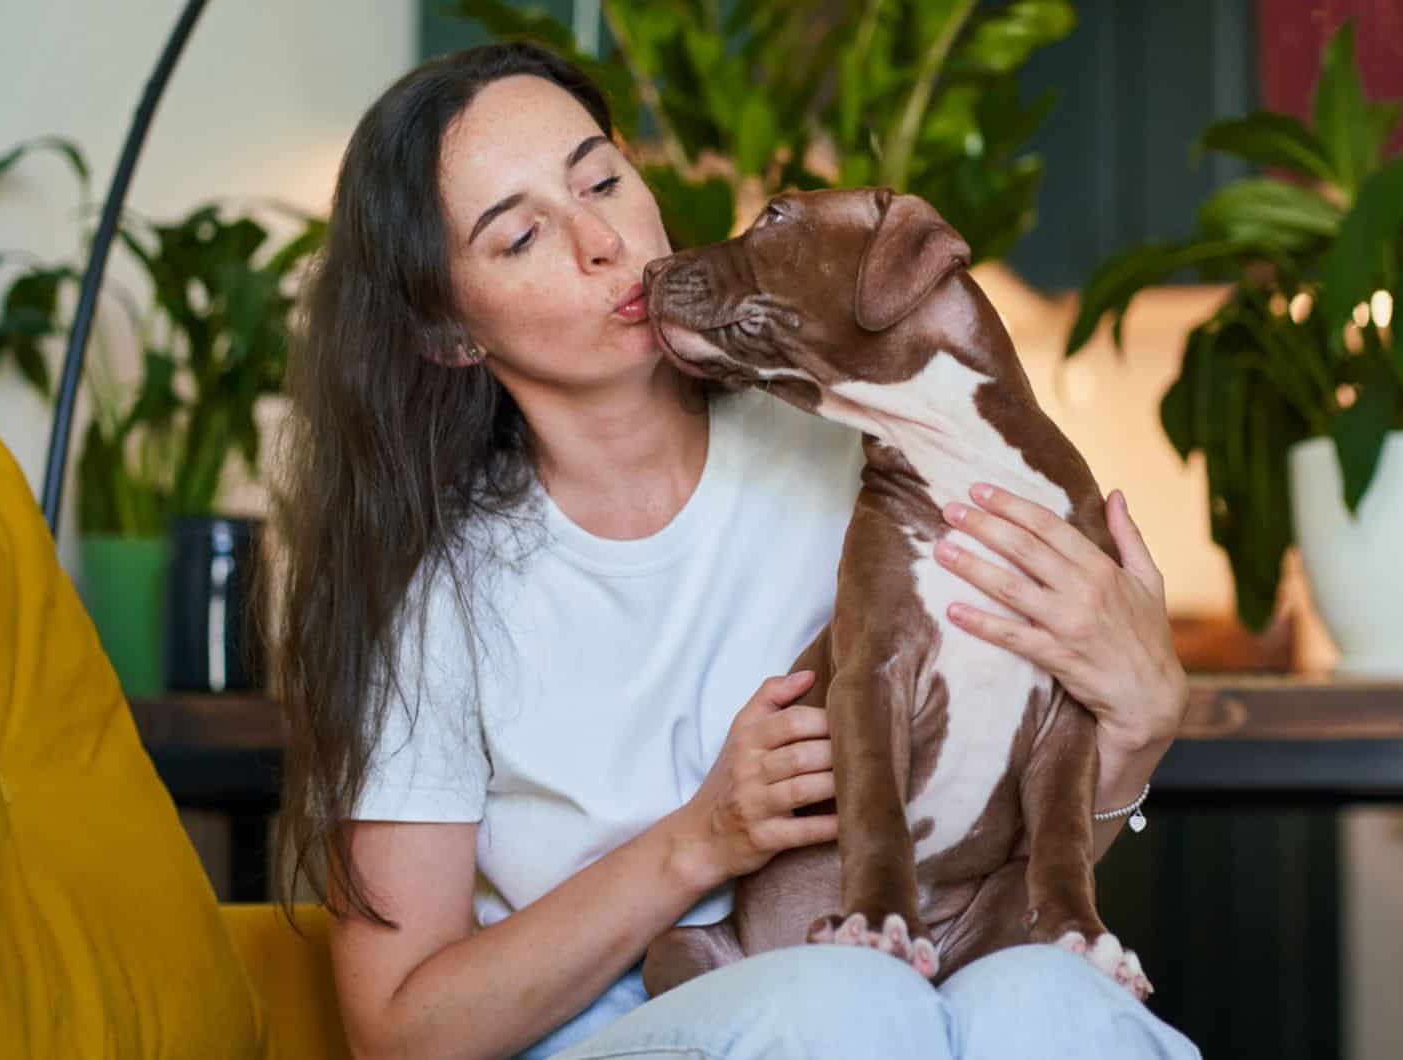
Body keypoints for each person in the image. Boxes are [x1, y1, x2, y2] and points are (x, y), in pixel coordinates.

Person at [271, 39, 1200, 1060]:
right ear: (449, 331)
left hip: (895, 996)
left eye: (602, 180)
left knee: (1047, 999)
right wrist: (700, 837)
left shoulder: (871, 458)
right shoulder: (436, 595)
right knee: (846, 1002)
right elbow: (400, 1031)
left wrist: (1138, 724)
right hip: (634, 1032)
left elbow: (979, 866)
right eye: (521, 235)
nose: (600, 242)